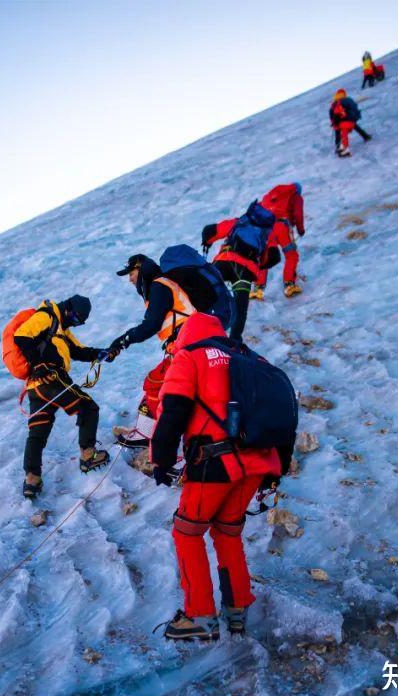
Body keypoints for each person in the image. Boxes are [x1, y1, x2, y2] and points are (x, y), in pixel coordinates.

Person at [149, 313, 294, 641]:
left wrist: (160, 460)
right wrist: (278, 469)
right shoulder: (250, 358)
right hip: (258, 463)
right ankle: (237, 610)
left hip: (215, 462)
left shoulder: (190, 357)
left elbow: (173, 410)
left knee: (187, 532)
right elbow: (282, 411)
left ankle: (198, 615)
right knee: (227, 532)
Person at [14, 295, 110, 498]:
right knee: (88, 408)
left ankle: (32, 479)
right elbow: (22, 336)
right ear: (68, 308)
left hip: (36, 386)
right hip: (51, 378)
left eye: (80, 322)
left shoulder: (60, 329)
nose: (76, 323)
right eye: (75, 318)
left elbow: (78, 351)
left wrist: (101, 353)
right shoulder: (47, 316)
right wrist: (39, 364)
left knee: (38, 431)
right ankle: (88, 455)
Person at [107, 254, 195, 449]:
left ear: (141, 268)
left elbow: (152, 324)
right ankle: (148, 433)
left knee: (155, 383)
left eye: (131, 273)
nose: (130, 279)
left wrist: (123, 340)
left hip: (187, 344)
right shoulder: (162, 285)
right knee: (159, 383)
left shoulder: (158, 285)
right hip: (188, 343)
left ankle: (153, 439)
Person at [202, 203, 282, 340]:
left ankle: (202, 333)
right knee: (240, 309)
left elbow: (209, 231)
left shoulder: (238, 223)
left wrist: (207, 242)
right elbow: (274, 257)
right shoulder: (268, 233)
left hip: (224, 262)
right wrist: (257, 264)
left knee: (206, 293)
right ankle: (234, 341)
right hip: (245, 272)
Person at [258, 182, 305, 298]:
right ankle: (289, 284)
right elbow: (298, 213)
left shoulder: (271, 196)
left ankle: (257, 289)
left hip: (266, 229)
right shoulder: (295, 195)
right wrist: (300, 229)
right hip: (282, 228)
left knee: (265, 256)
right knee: (291, 255)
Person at [329, 89, 371, 158]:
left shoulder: (335, 103)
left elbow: (332, 114)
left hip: (342, 121)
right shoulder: (349, 99)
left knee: (340, 133)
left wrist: (334, 124)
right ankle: (366, 136)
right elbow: (355, 108)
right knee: (354, 127)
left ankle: (340, 147)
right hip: (351, 118)